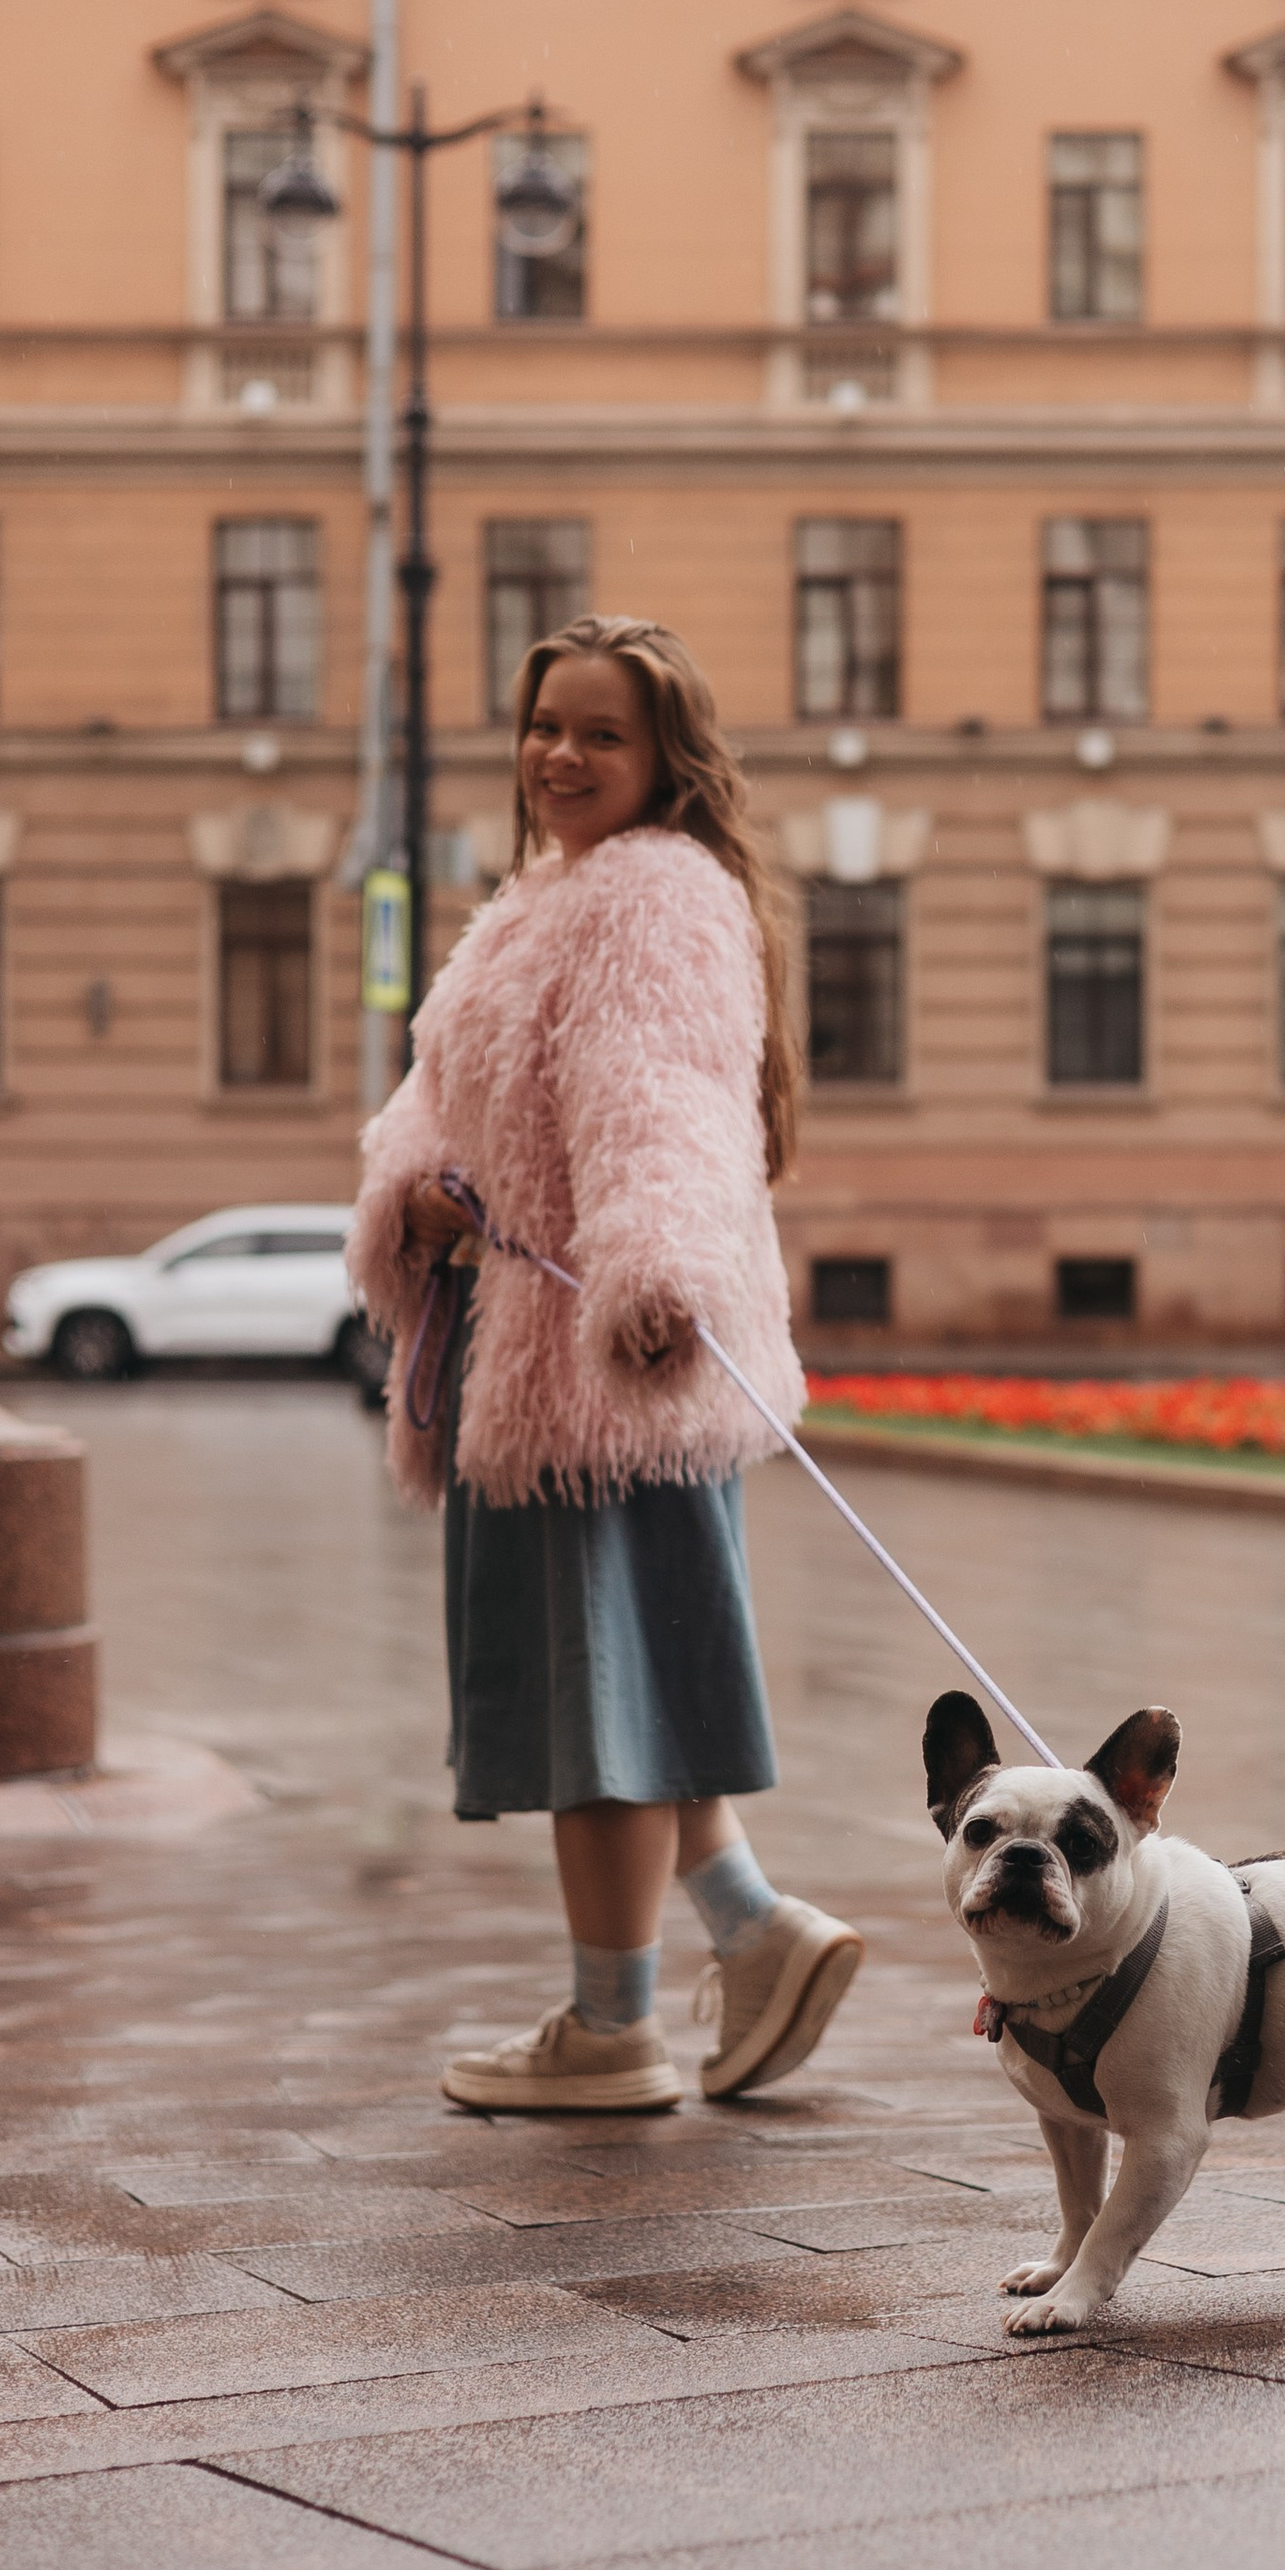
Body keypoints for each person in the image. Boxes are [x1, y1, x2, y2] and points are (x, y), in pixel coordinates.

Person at [348, 616, 860, 2114]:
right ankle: (756, 1934)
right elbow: (440, 1106)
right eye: (544, 725)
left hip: (595, 1374)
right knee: (626, 1691)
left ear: (665, 762)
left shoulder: (646, 896)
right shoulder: (539, 901)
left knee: (597, 1717)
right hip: (543, 1359)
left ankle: (611, 2031)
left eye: (601, 734)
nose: (560, 755)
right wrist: (420, 1191)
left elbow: (665, 1109)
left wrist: (649, 1279)